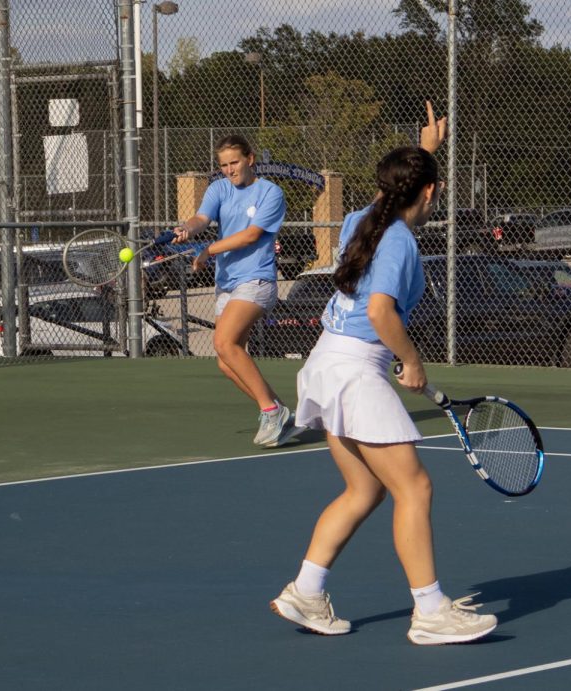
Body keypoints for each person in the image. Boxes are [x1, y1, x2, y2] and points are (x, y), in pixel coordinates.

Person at [269, 103, 497, 645]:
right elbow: (379, 312)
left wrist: (424, 152)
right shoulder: (398, 239)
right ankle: (430, 611)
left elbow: (385, 198)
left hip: (323, 362)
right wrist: (412, 360)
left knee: (364, 490)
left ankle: (305, 590)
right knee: (414, 487)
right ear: (432, 194)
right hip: (354, 370)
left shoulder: (362, 221)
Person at [172, 135, 301, 448]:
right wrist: (189, 228)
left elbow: (251, 235)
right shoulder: (218, 188)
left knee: (224, 342)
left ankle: (271, 411)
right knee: (226, 360)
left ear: (250, 159)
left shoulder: (271, 192)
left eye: (235, 163)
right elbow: (202, 218)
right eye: (224, 165)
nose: (229, 170)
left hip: (257, 281)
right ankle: (281, 411)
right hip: (227, 282)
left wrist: (208, 250)